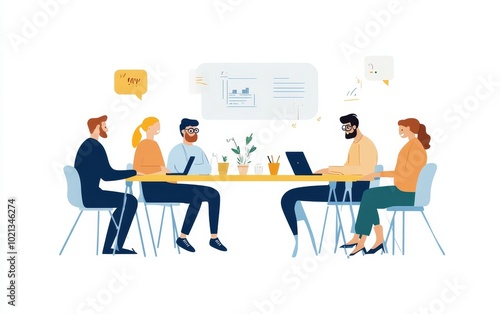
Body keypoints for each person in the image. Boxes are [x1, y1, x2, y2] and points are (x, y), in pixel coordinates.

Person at [132, 117, 227, 253]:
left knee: (212, 194)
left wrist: (166, 173)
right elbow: (137, 170)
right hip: (152, 191)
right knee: (199, 195)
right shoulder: (143, 145)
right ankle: (183, 238)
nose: (159, 129)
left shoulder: (154, 145)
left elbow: (163, 169)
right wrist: (160, 171)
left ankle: (212, 238)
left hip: (165, 185)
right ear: (149, 128)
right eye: (157, 127)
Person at [280, 113, 378, 245]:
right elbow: (347, 169)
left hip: (354, 191)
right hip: (345, 187)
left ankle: (298, 240)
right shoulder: (355, 144)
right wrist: (327, 172)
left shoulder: (366, 144)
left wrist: (330, 170)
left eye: (347, 127)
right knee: (291, 195)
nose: (346, 130)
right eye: (344, 128)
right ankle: (298, 236)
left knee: (290, 196)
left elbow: (364, 171)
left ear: (355, 126)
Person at [345, 118, 431, 256]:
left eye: (402, 128)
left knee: (368, 196)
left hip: (408, 194)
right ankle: (370, 239)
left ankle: (362, 239)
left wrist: (377, 174)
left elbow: (403, 174)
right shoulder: (412, 145)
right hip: (403, 190)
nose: (399, 131)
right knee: (368, 196)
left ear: (409, 128)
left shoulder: (415, 148)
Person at [74, 115, 142, 254]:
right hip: (91, 197)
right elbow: (107, 175)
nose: (107, 128)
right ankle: (114, 248)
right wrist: (133, 172)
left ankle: (111, 247)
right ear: (98, 127)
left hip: (85, 195)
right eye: (105, 125)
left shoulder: (86, 146)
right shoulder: (95, 147)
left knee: (126, 201)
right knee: (130, 200)